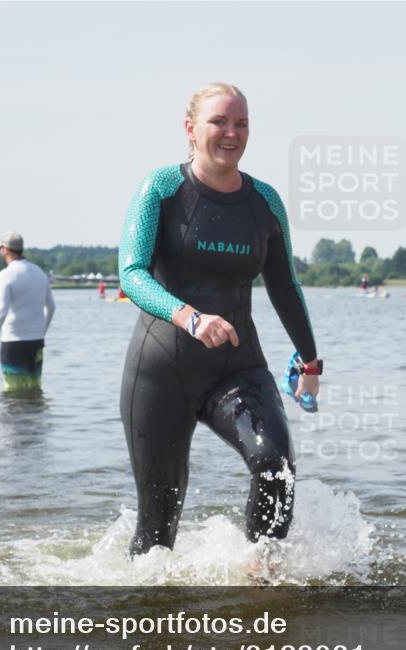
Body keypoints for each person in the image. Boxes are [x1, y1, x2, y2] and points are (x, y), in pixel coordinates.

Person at [118, 82, 320, 555]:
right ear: (190, 129)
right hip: (160, 370)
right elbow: (131, 274)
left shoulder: (264, 202)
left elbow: (285, 285)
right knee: (158, 525)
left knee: (276, 465)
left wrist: (310, 362)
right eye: (219, 122)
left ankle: (261, 585)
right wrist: (188, 317)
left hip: (237, 367)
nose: (231, 133)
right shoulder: (162, 189)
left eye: (241, 123)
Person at [0, 231, 55, 391]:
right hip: (37, 342)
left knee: (13, 391)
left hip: (13, 343)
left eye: (0, 247)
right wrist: (41, 331)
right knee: (34, 388)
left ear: (5, 249)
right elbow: (51, 307)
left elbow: (1, 311)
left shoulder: (6, 275)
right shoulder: (39, 272)